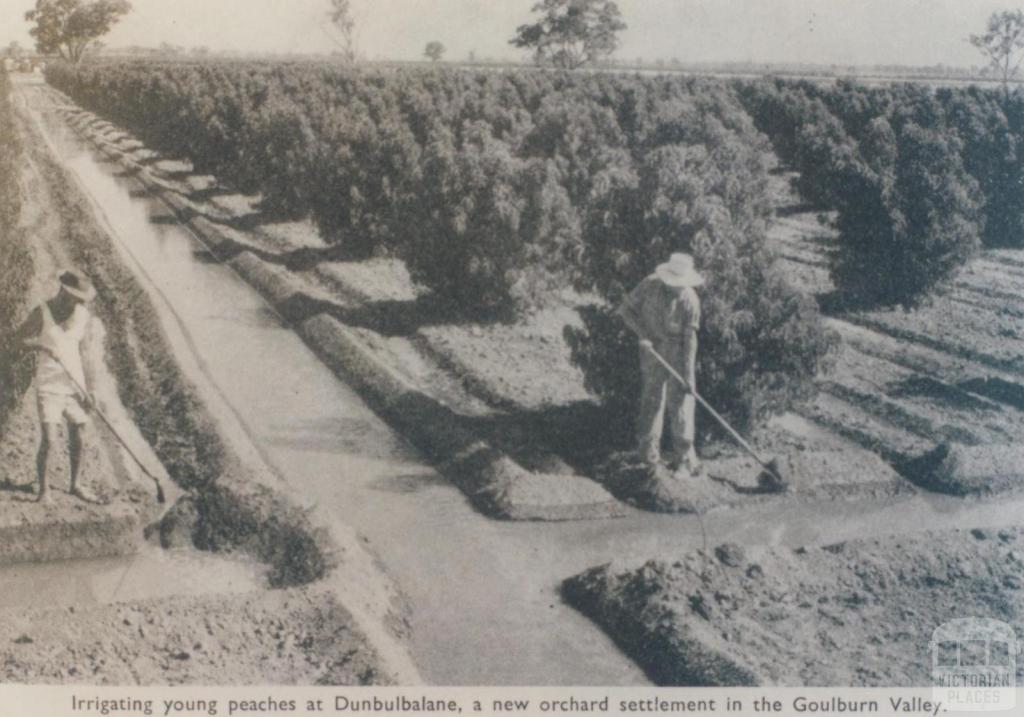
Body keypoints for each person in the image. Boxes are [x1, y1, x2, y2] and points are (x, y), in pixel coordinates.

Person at [12, 270, 102, 503]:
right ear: (64, 291)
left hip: (75, 385)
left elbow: (86, 353)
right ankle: (44, 491)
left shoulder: (82, 315)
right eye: (76, 297)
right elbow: (18, 339)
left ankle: (75, 484)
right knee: (50, 439)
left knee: (79, 432)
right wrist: (41, 345)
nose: (80, 302)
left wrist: (91, 389)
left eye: (82, 298)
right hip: (49, 385)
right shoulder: (42, 312)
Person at [616, 253, 703, 474]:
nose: (676, 288)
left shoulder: (690, 300)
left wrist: (688, 375)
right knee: (652, 399)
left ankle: (684, 458)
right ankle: (648, 457)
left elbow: (691, 339)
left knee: (682, 401)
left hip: (677, 351)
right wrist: (642, 335)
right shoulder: (649, 285)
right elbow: (625, 310)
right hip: (652, 349)